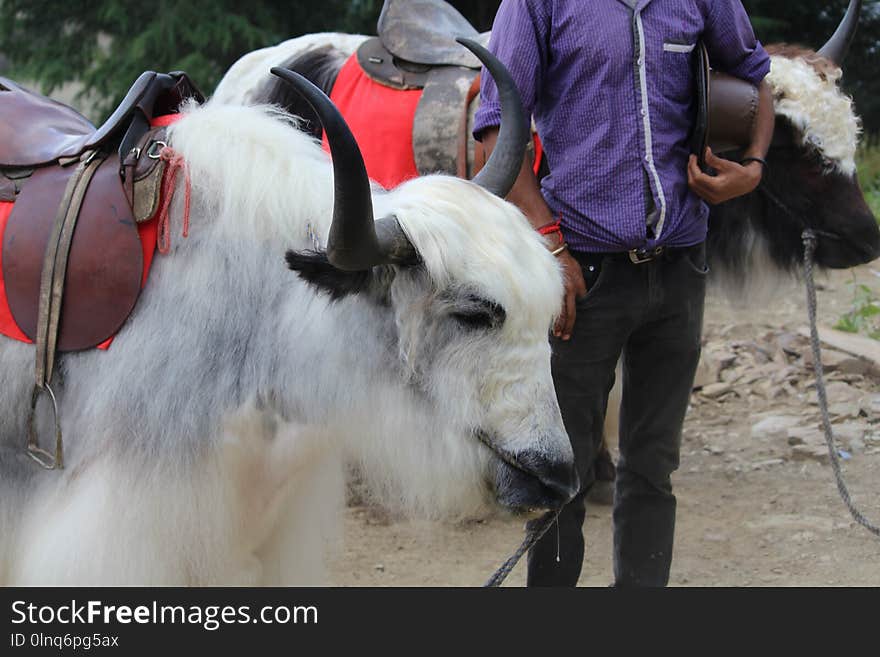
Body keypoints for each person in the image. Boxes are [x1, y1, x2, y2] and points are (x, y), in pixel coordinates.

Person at [474, 0, 775, 586]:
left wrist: (755, 166)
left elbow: (757, 78)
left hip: (681, 266)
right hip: (583, 275)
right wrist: (551, 248)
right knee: (567, 471)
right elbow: (494, 129)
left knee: (652, 466)